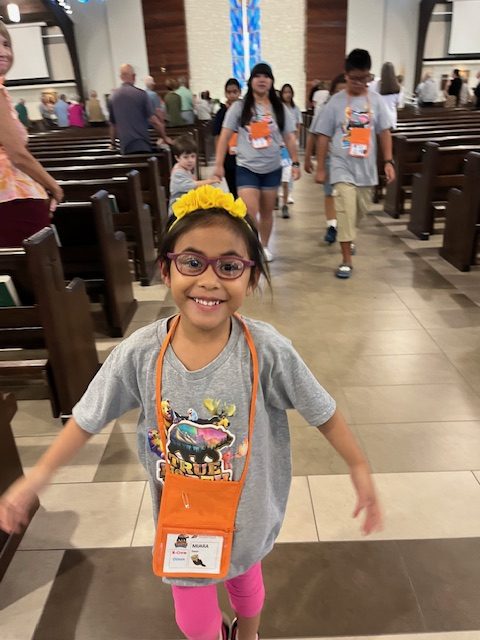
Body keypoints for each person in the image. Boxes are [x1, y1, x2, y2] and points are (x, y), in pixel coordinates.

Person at [0, 184, 382, 640]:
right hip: (183, 520)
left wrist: (358, 465)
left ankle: (248, 633)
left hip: (247, 513)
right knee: (195, 624)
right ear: (166, 269)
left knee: (247, 589)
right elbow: (87, 418)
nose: (209, 280)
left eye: (229, 266)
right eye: (192, 262)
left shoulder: (268, 350)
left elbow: (323, 411)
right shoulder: (141, 353)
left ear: (250, 278)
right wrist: (37, 477)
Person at [312, 48, 396, 279]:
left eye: (364, 78)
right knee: (344, 210)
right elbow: (323, 135)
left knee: (358, 212)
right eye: (354, 78)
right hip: (341, 166)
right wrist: (321, 167)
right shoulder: (335, 102)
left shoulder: (376, 101)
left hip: (366, 169)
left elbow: (385, 132)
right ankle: (346, 260)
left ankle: (348, 236)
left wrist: (388, 161)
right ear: (346, 75)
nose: (359, 83)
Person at [214, 63, 300, 262]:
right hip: (246, 167)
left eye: (266, 76)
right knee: (249, 211)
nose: (262, 80)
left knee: (267, 211)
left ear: (271, 81)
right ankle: (251, 246)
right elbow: (224, 135)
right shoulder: (240, 107)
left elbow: (289, 137)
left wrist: (295, 162)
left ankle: (264, 246)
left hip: (272, 168)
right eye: (258, 76)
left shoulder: (279, 108)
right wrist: (218, 164)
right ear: (251, 81)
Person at [0, 21, 63, 246]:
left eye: (6, 44)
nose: (3, 51)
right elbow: (17, 155)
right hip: (14, 197)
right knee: (38, 265)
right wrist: (53, 186)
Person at [304, 73, 347, 245]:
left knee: (347, 197)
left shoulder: (355, 110)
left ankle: (347, 231)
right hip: (330, 158)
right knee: (330, 194)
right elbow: (313, 134)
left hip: (350, 160)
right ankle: (332, 225)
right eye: (338, 91)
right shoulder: (325, 109)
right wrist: (308, 158)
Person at [109, 64, 168, 154]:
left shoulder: (112, 97)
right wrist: (164, 137)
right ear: (134, 76)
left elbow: (113, 125)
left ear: (121, 77)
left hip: (125, 147)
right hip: (142, 144)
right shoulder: (141, 94)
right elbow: (153, 121)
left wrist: (113, 144)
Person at [169, 135, 219, 211]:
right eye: (186, 157)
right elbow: (192, 185)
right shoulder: (178, 173)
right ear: (177, 158)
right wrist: (210, 181)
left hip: (187, 203)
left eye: (193, 156)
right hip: (178, 207)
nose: (190, 160)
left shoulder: (186, 168)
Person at [212, 78, 242, 198]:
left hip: (244, 155)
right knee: (233, 189)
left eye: (235, 92)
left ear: (239, 92)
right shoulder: (221, 112)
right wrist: (219, 160)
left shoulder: (244, 110)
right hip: (228, 156)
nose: (232, 95)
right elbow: (217, 136)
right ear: (225, 94)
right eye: (229, 92)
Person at [279, 83, 302, 216]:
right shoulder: (277, 109)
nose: (287, 95)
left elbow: (298, 125)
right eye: (285, 92)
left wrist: (295, 139)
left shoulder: (295, 109)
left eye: (289, 92)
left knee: (289, 171)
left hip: (290, 143)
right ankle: (278, 194)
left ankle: (288, 195)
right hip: (279, 145)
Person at [370, 62, 401, 128]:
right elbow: (397, 104)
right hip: (391, 119)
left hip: (379, 118)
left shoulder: (374, 85)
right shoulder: (398, 87)